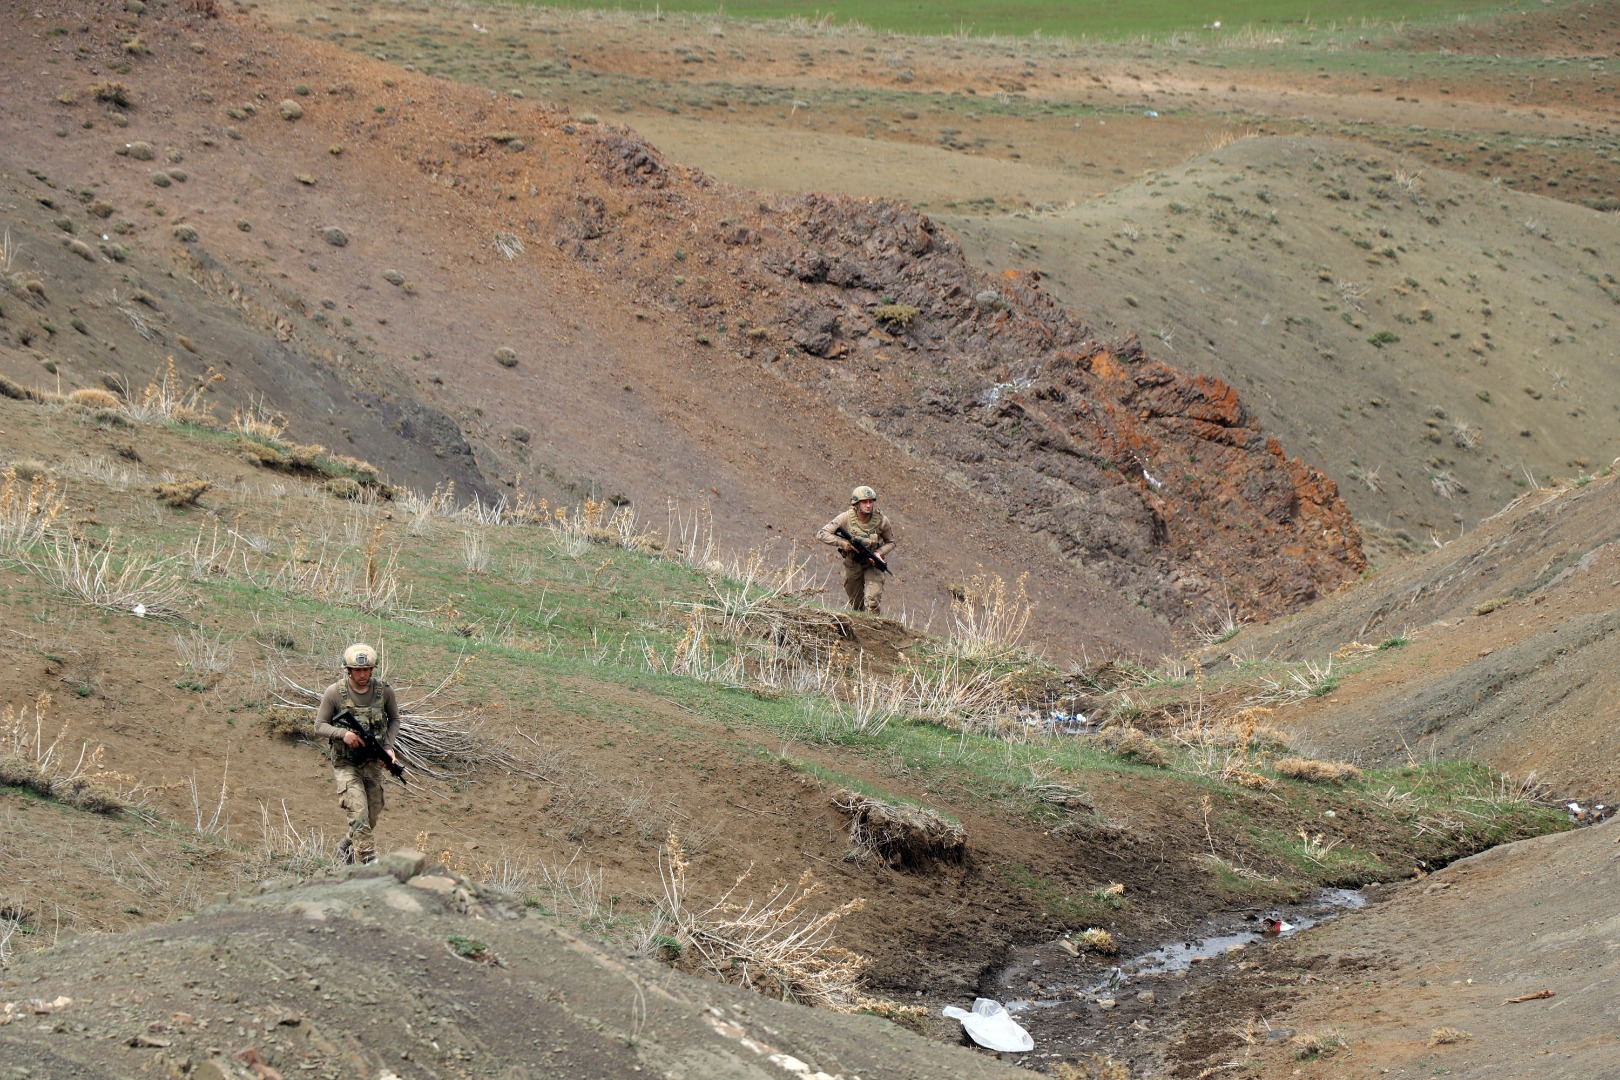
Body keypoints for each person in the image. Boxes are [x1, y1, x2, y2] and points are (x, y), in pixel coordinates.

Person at [312, 642, 401, 865]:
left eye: (366, 670)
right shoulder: (334, 693)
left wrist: (388, 748)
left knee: (372, 813)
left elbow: (395, 720)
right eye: (357, 670)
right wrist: (343, 734)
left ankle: (345, 846)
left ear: (372, 670)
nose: (362, 674)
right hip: (346, 763)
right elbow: (319, 726)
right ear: (348, 670)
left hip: (372, 762)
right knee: (358, 810)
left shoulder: (384, 692)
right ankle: (369, 859)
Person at [817, 485, 898, 615]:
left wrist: (879, 553)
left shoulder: (882, 521)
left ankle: (873, 629)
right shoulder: (845, 518)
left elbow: (891, 542)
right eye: (864, 502)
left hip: (873, 564)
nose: (868, 505)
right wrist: (843, 543)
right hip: (853, 563)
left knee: (872, 602)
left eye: (871, 501)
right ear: (856, 503)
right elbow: (822, 534)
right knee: (856, 605)